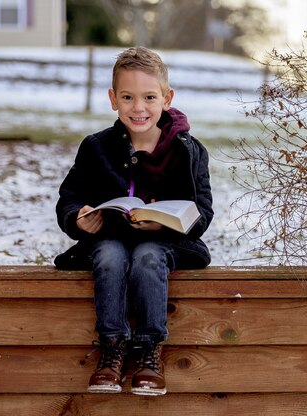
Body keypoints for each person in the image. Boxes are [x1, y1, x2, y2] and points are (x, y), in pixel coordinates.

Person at [55, 46, 213, 396]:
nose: (138, 108)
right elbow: (70, 198)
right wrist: (78, 220)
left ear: (167, 98)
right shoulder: (95, 147)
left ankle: (148, 350)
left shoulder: (189, 151)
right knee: (110, 256)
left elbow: (202, 210)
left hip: (164, 242)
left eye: (149, 97)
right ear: (113, 99)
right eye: (127, 97)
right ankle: (112, 348)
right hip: (109, 237)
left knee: (147, 257)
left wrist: (165, 223)